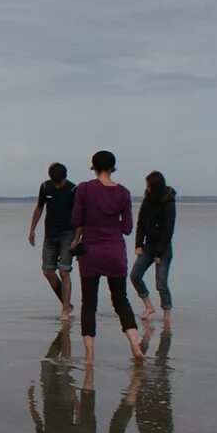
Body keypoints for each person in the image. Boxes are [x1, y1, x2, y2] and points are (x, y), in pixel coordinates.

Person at [70, 150, 145, 365]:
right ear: (113, 167)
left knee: (89, 304)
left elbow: (77, 219)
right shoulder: (124, 193)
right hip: (115, 251)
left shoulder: (84, 188)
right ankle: (134, 345)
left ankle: (90, 355)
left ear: (93, 166)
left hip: (91, 251)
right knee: (121, 300)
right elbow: (128, 228)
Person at [28, 162, 76, 318]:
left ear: (65, 177)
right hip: (50, 234)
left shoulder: (73, 189)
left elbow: (80, 214)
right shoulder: (45, 187)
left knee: (64, 271)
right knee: (48, 271)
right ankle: (66, 303)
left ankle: (65, 310)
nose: (57, 186)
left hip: (68, 234)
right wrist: (32, 230)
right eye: (55, 183)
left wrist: (79, 237)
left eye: (60, 182)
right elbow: (39, 207)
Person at [132, 171, 177, 324]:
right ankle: (149, 306)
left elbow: (168, 230)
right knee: (135, 275)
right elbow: (141, 223)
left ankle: (167, 314)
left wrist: (159, 253)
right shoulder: (148, 199)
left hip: (163, 248)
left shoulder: (169, 202)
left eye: (149, 185)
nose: (147, 188)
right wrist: (138, 244)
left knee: (161, 282)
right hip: (148, 244)